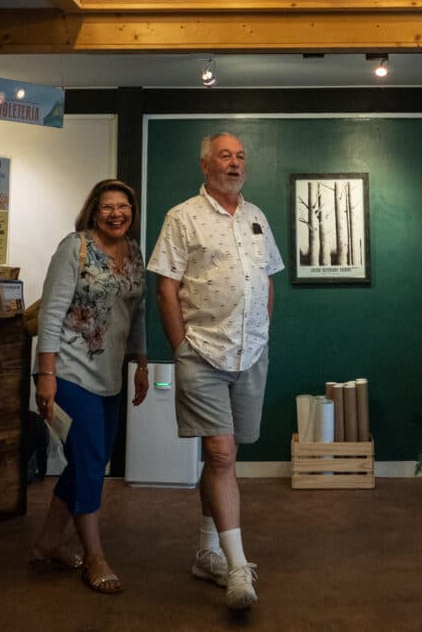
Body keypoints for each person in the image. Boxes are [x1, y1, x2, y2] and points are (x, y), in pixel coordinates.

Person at [149, 132, 285, 613]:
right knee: (221, 453)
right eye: (225, 156)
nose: (235, 163)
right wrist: (180, 346)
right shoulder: (182, 216)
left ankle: (207, 551)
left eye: (241, 156)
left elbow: (266, 279)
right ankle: (237, 568)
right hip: (203, 352)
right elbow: (166, 287)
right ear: (206, 165)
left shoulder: (255, 217)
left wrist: (263, 331)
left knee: (224, 456)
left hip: (250, 354)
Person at [30, 179, 149, 594]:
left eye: (124, 207)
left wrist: (141, 362)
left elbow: (138, 312)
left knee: (90, 461)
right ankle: (94, 556)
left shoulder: (134, 253)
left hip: (110, 375)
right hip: (68, 371)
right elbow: (50, 314)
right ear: (93, 211)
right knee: (90, 458)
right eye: (107, 207)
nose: (117, 214)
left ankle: (47, 542)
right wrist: (45, 375)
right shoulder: (74, 247)